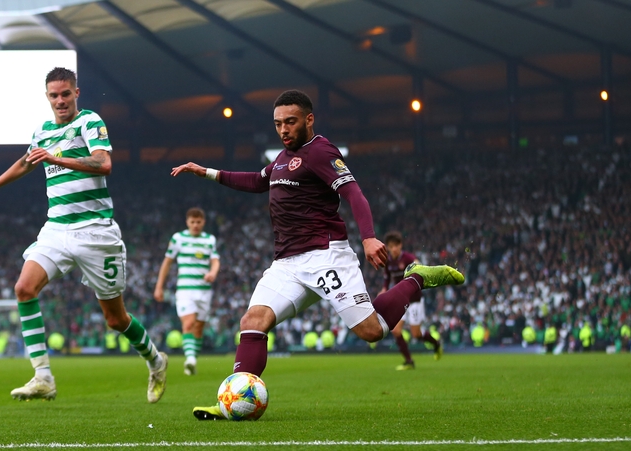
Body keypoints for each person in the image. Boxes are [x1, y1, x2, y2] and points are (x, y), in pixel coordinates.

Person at [171, 90, 464, 420]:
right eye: (278, 124)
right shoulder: (282, 159)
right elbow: (257, 181)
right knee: (252, 322)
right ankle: (232, 402)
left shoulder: (321, 151)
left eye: (290, 122)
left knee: (372, 332)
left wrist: (368, 238)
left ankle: (416, 279)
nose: (283, 130)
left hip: (326, 256)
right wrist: (206, 172)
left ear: (309, 120)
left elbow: (354, 193)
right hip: (286, 264)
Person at [0, 67, 168, 403]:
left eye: (66, 94)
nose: (60, 100)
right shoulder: (43, 131)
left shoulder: (89, 122)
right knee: (24, 288)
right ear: (47, 97)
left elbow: (103, 163)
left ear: (76, 93)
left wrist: (58, 157)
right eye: (54, 95)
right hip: (57, 228)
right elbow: (27, 161)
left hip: (95, 231)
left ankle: (155, 360)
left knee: (115, 318)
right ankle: (43, 377)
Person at [154, 207, 220, 376]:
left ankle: (193, 360)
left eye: (198, 222)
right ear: (187, 222)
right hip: (185, 290)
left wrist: (212, 273)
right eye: (192, 222)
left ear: (203, 222)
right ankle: (190, 360)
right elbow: (167, 262)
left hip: (204, 291)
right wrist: (159, 286)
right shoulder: (178, 238)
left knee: (198, 328)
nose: (195, 225)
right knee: (189, 323)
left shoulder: (209, 239)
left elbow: (215, 261)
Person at [379, 231, 442, 371]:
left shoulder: (407, 258)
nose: (393, 249)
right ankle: (409, 361)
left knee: (416, 334)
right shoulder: (388, 262)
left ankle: (436, 344)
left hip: (414, 300)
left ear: (400, 245)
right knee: (395, 331)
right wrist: (384, 289)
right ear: (388, 248)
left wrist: (418, 265)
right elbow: (387, 278)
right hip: (400, 301)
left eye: (396, 245)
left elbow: (417, 264)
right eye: (391, 246)